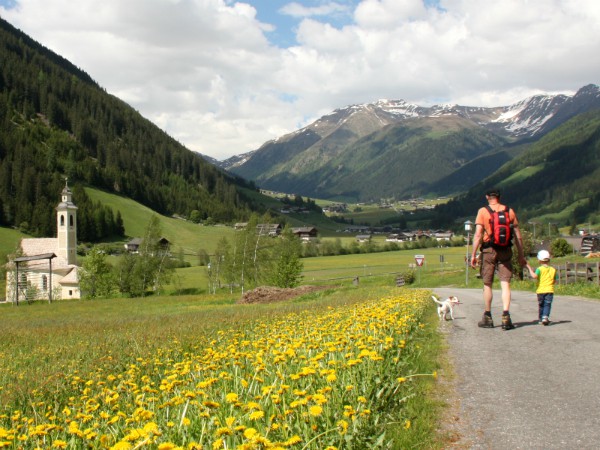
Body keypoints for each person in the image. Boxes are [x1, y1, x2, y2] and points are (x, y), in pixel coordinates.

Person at [470, 188, 527, 330]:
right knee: (505, 283)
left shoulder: (483, 211)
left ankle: (488, 316)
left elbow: (478, 235)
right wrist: (521, 255)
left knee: (487, 283)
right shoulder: (509, 211)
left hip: (489, 250)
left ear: (487, 197)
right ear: (500, 197)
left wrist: (473, 254)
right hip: (505, 250)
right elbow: (518, 236)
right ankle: (506, 316)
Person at [525, 250, 557, 325]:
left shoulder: (539, 269)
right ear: (548, 259)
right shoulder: (553, 269)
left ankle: (540, 319)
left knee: (541, 305)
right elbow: (554, 280)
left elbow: (534, 276)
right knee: (547, 304)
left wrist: (529, 268)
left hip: (540, 290)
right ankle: (545, 317)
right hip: (549, 290)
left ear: (539, 260)